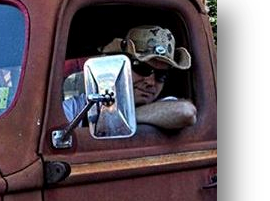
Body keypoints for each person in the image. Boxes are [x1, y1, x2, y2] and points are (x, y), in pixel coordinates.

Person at [63, 25, 197, 130]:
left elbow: (185, 112)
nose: (151, 82)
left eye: (161, 75)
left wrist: (117, 117)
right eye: (142, 69)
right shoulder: (81, 106)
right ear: (116, 65)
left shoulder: (164, 105)